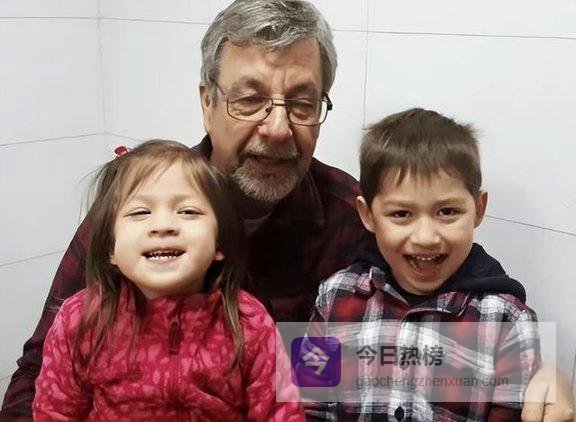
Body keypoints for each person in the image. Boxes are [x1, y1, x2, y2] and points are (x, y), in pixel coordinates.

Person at [1, 1, 572, 420]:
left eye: (302, 103)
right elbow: (40, 370)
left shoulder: (347, 217)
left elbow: (437, 265)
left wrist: (534, 371)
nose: (277, 128)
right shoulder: (138, 212)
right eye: (250, 99)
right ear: (206, 101)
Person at [32, 140, 303, 420]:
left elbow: (282, 414)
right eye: (140, 212)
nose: (163, 226)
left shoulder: (250, 322)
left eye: (188, 211)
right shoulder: (81, 319)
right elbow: (54, 412)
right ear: (111, 248)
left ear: (219, 243)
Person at [300, 109, 541, 420]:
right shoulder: (334, 297)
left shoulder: (509, 323)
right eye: (401, 214)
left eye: (447, 212)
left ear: (479, 209)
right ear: (368, 215)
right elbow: (309, 404)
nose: (426, 237)